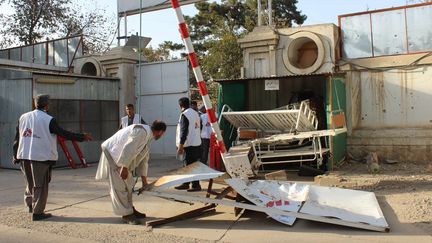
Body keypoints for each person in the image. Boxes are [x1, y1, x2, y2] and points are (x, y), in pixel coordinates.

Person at [13, 94, 92, 221]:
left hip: (23, 155)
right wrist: (82, 137)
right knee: (40, 185)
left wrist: (14, 154)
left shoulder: (23, 117)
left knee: (29, 182)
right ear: (46, 105)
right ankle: (38, 212)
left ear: (35, 104)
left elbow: (17, 137)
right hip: (40, 157)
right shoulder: (48, 119)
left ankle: (30, 205)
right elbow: (63, 133)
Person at [95, 120, 166, 225]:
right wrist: (123, 167)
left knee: (129, 183)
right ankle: (126, 215)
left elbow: (143, 161)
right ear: (160, 132)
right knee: (119, 186)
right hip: (112, 154)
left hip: (121, 158)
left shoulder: (148, 137)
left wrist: (144, 182)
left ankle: (130, 209)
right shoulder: (142, 132)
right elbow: (129, 147)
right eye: (163, 133)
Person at [174, 97, 202, 192]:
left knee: (189, 166)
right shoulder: (195, 113)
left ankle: (195, 185)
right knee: (190, 165)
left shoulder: (184, 115)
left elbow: (183, 131)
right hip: (197, 143)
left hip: (189, 144)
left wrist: (181, 145)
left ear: (180, 105)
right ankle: (187, 183)